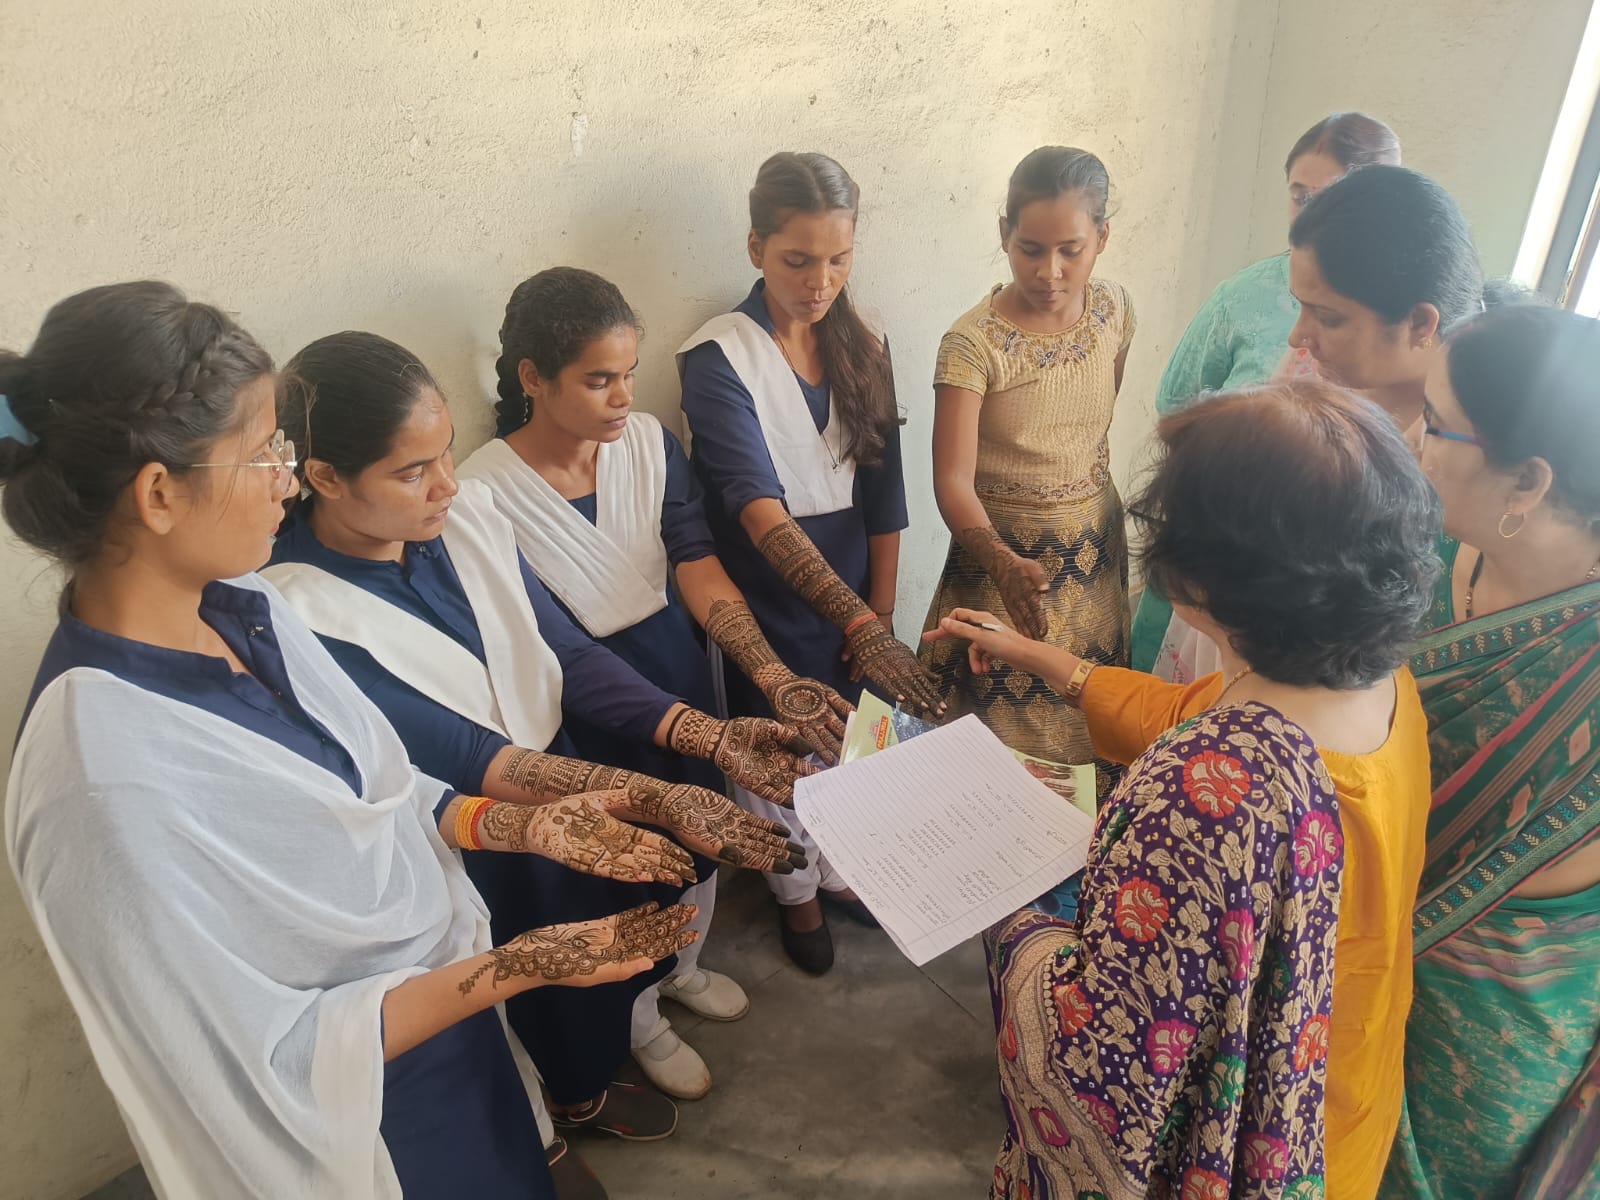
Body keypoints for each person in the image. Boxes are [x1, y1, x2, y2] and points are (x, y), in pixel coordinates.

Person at [0, 281, 698, 1200]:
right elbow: (266, 1056)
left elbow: (377, 784)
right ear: (160, 493)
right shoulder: (102, 779)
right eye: (261, 455)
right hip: (354, 1125)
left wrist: (517, 827)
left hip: (449, 1024)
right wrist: (523, 964)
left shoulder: (244, 611)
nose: (287, 481)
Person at [265, 334, 809, 1146]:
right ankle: (572, 1104)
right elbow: (457, 751)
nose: (447, 485)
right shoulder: (293, 607)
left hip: (573, 784)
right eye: (413, 471)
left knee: (620, 944)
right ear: (325, 478)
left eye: (445, 454)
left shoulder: (466, 519)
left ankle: (621, 1039)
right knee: (532, 986)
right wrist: (659, 794)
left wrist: (710, 736)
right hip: (474, 834)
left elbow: (569, 653)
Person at [927, 379, 1440, 1200]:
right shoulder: (1372, 685)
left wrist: (1013, 902)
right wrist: (1049, 663)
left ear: (1204, 571)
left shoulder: (1213, 798)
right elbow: (1181, 716)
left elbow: (1087, 1084)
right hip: (1335, 1121)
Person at [678, 150, 942, 972]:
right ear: (755, 247)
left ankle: (840, 868)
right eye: (798, 260)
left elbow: (886, 496)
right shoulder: (717, 356)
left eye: (839, 259)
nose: (820, 281)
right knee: (784, 752)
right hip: (770, 601)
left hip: (859, 583)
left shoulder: (866, 341)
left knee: (864, 737)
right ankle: (797, 893)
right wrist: (856, 619)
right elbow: (759, 516)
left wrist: (883, 616)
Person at [461, 266, 851, 776]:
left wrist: (771, 673)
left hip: (681, 677)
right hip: (586, 711)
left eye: (629, 374)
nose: (624, 396)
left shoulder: (648, 444)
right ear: (533, 378)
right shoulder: (482, 494)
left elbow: (697, 562)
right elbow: (546, 642)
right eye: (599, 381)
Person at [1381, 305, 1600, 1200]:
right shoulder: (1425, 552)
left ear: (1529, 481)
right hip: (1351, 967)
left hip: (1495, 1019)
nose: (1409, 438)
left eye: (1434, 423)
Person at [1139, 164, 1483, 684]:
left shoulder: (1473, 451)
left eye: (1329, 317)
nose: (1300, 337)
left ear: (1419, 323)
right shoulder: (1315, 374)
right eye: (1301, 308)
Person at [1131, 113, 1401, 677]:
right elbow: (1178, 404)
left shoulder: (1397, 339)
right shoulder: (1245, 294)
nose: (1302, 335)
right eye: (1300, 196)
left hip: (1308, 587)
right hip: (1223, 545)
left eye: (1331, 199)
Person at [919, 146, 1135, 769]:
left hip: (1094, 558)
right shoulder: (972, 345)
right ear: (1004, 236)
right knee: (995, 752)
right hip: (1001, 566)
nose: (1050, 271)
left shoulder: (1116, 312)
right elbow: (952, 482)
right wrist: (1004, 562)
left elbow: (1094, 429)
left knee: (1089, 732)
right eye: (1030, 249)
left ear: (1102, 237)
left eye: (1072, 249)